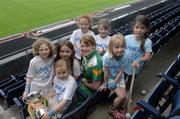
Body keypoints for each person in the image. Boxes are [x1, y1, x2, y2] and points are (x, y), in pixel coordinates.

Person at [99, 34, 126, 115]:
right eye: (117, 47)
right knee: (121, 96)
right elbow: (106, 72)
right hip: (110, 77)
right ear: (111, 48)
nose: (120, 50)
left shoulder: (124, 56)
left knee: (124, 98)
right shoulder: (107, 57)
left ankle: (121, 108)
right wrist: (105, 83)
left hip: (119, 77)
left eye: (122, 47)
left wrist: (116, 81)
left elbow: (121, 72)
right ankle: (112, 109)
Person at [124, 15, 152, 93]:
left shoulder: (147, 42)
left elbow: (147, 57)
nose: (139, 30)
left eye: (142, 28)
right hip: (124, 64)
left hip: (134, 68)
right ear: (133, 27)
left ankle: (127, 93)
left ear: (147, 29)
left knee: (130, 81)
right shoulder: (127, 38)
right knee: (121, 80)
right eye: (137, 27)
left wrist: (138, 60)